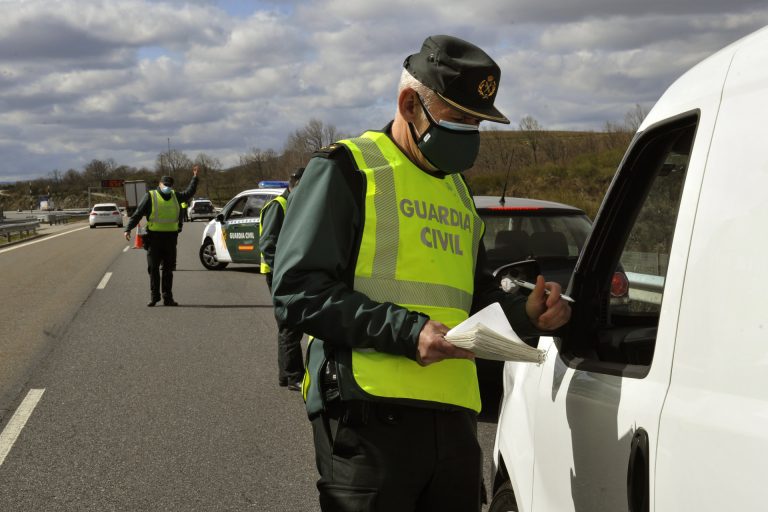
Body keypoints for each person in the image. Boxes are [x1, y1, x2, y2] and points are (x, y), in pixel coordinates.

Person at [271, 35, 571, 511]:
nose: (469, 133)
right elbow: (297, 292)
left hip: (453, 420)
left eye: (477, 123)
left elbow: (471, 299)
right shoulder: (347, 170)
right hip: (366, 423)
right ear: (409, 104)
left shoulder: (457, 191)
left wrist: (526, 311)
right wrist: (409, 332)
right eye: (458, 120)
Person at [124, 166, 199, 306]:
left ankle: (168, 298)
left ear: (172, 186)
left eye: (169, 185)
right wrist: (128, 228)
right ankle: (154, 297)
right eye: (165, 185)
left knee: (168, 270)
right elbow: (138, 213)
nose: (167, 187)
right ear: (159, 184)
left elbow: (190, 192)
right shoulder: (150, 196)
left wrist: (194, 177)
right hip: (154, 239)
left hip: (171, 239)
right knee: (153, 269)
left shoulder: (175, 196)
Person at [258, 168, 305, 391]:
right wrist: (284, 275)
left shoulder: (296, 204)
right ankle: (294, 375)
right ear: (293, 184)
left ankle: (285, 375)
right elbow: (268, 244)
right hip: (279, 274)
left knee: (289, 323)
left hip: (290, 273)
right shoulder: (279, 206)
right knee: (290, 323)